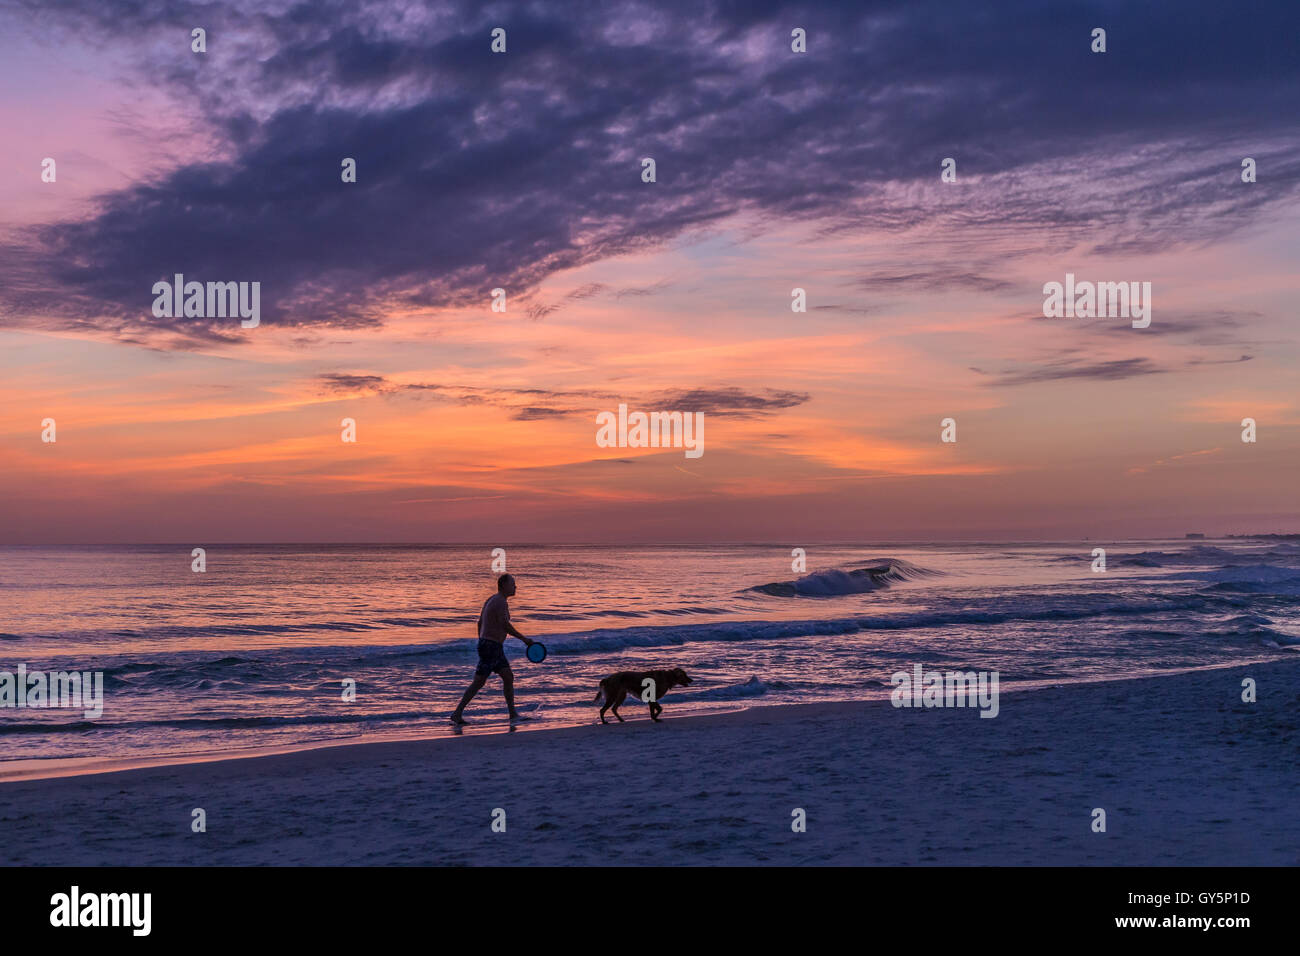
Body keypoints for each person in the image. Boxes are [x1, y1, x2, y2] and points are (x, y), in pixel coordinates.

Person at [450, 573, 536, 725]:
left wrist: (481, 641)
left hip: (489, 645)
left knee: (502, 678)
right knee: (485, 681)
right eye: (512, 584)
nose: (515, 587)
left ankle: (511, 714)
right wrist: (524, 640)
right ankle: (458, 714)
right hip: (492, 646)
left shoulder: (491, 599)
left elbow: (479, 623)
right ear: (503, 585)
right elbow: (505, 625)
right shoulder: (500, 602)